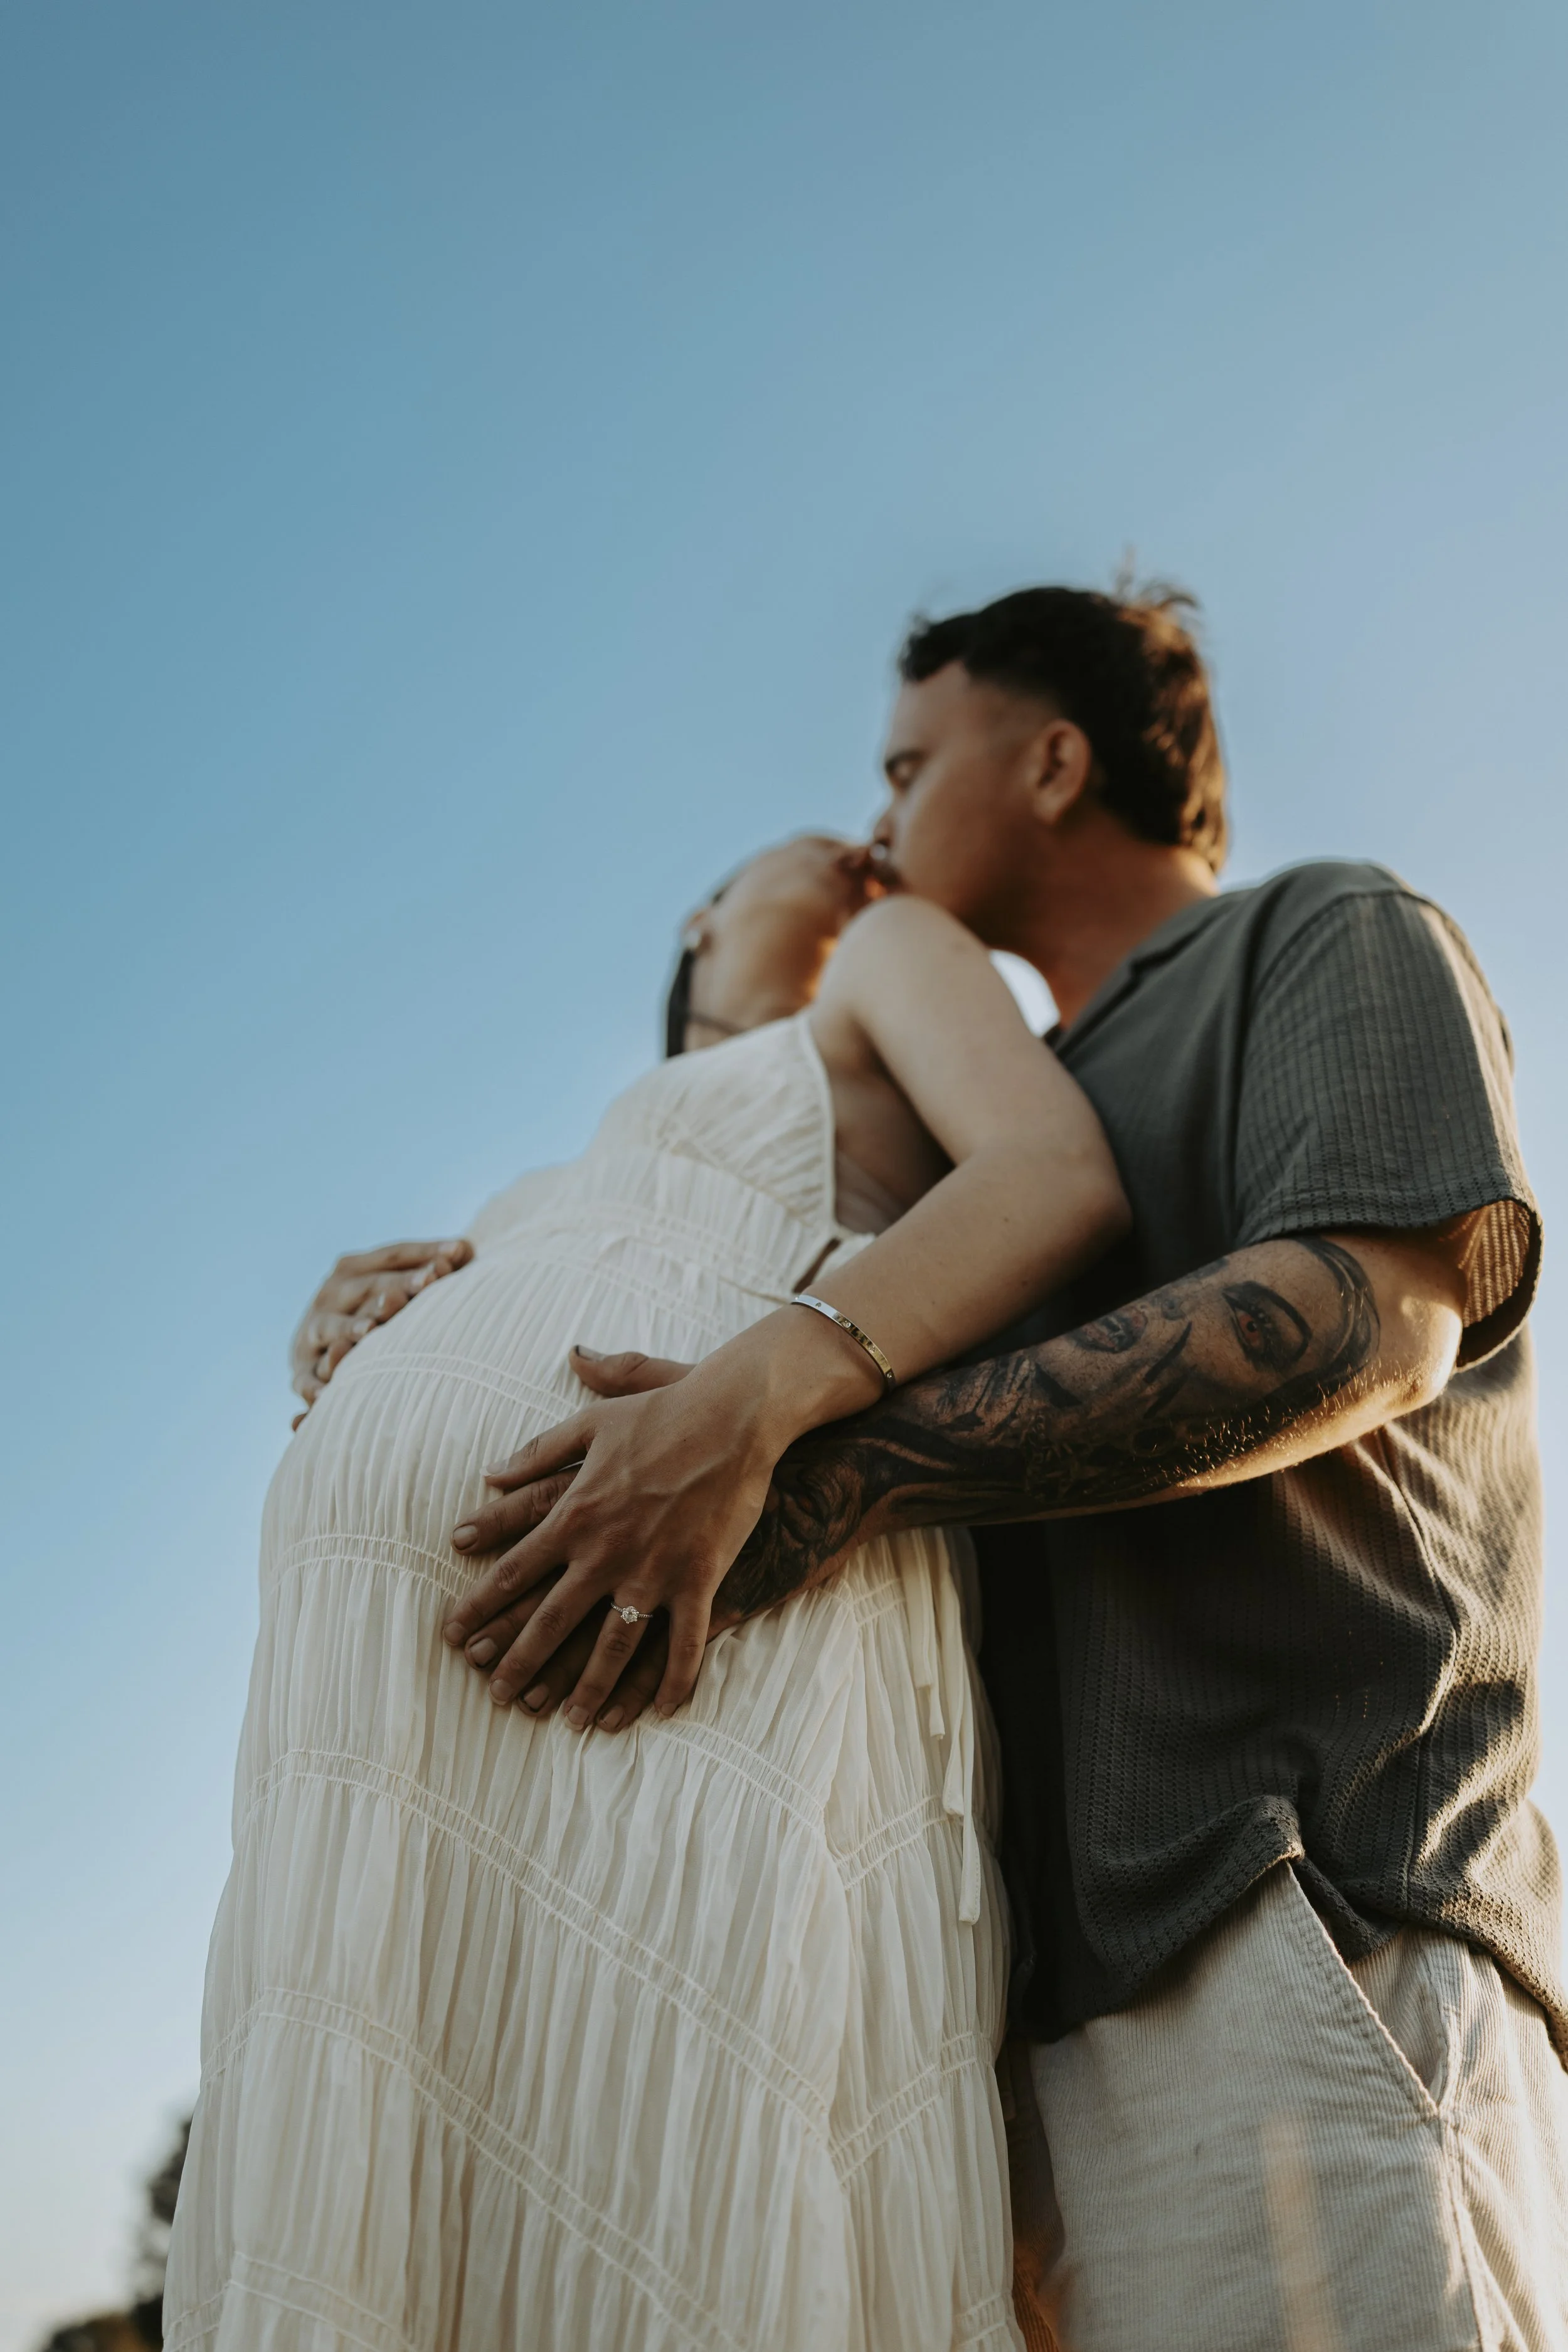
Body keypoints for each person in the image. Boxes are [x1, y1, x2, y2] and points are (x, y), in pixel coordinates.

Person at [450, 585, 1566, 2352]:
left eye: (907, 766)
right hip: (1019, 2011)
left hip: (1297, 1905)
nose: (876, 816)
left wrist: (834, 1470)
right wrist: (468, 1284)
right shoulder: (1004, 1099)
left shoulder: (1322, 928)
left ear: (1051, 764)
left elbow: (1365, 1313)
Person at [163, 835, 1131, 2352]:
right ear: (702, 914)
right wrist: (352, 1330)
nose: (869, 847)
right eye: (821, 839)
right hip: (386, 1727)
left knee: (691, 2119)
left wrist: (763, 1390)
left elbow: (1052, 1180)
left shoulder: (885, 956)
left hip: (711, 1578)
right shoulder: (584, 1156)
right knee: (418, 2160)